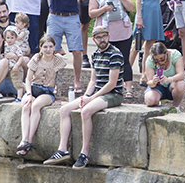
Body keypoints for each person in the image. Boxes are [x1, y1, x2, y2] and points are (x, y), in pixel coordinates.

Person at [43, 25, 124, 169]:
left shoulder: (115, 54)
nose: (102, 39)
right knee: (64, 109)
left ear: (109, 36)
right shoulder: (95, 54)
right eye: (98, 37)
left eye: (104, 36)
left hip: (113, 94)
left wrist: (91, 98)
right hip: (98, 93)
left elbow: (112, 84)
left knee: (86, 111)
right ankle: (62, 150)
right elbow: (93, 81)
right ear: (94, 39)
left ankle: (84, 152)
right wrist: (86, 95)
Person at [38, 0, 88, 90]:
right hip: (54, 16)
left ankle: (77, 81)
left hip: (72, 16)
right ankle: (52, 82)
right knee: (51, 51)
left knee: (77, 51)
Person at [89, 0, 135, 98]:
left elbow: (130, 8)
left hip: (123, 31)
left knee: (124, 60)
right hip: (105, 33)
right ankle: (102, 86)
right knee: (105, 60)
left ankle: (129, 89)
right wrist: (104, 9)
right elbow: (91, 13)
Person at [16, 35, 67, 156]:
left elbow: (59, 80)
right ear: (40, 47)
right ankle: (24, 139)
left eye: (50, 47)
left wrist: (58, 97)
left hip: (47, 91)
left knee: (36, 106)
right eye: (45, 47)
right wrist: (28, 94)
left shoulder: (58, 60)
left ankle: (29, 140)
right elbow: (28, 80)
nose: (48, 49)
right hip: (34, 88)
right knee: (26, 105)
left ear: (55, 47)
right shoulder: (36, 59)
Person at [133, 0, 168, 84]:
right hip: (145, 11)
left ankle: (144, 74)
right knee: (137, 44)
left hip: (155, 11)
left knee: (150, 45)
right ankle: (125, 72)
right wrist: (139, 16)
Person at [143, 42, 185, 107]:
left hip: (173, 84)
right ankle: (157, 101)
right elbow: (149, 82)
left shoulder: (175, 54)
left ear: (166, 52)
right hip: (158, 86)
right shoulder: (150, 60)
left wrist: (168, 79)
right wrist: (153, 82)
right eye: (156, 60)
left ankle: (175, 106)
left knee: (181, 84)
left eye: (162, 59)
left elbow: (181, 75)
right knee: (150, 101)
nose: (160, 62)